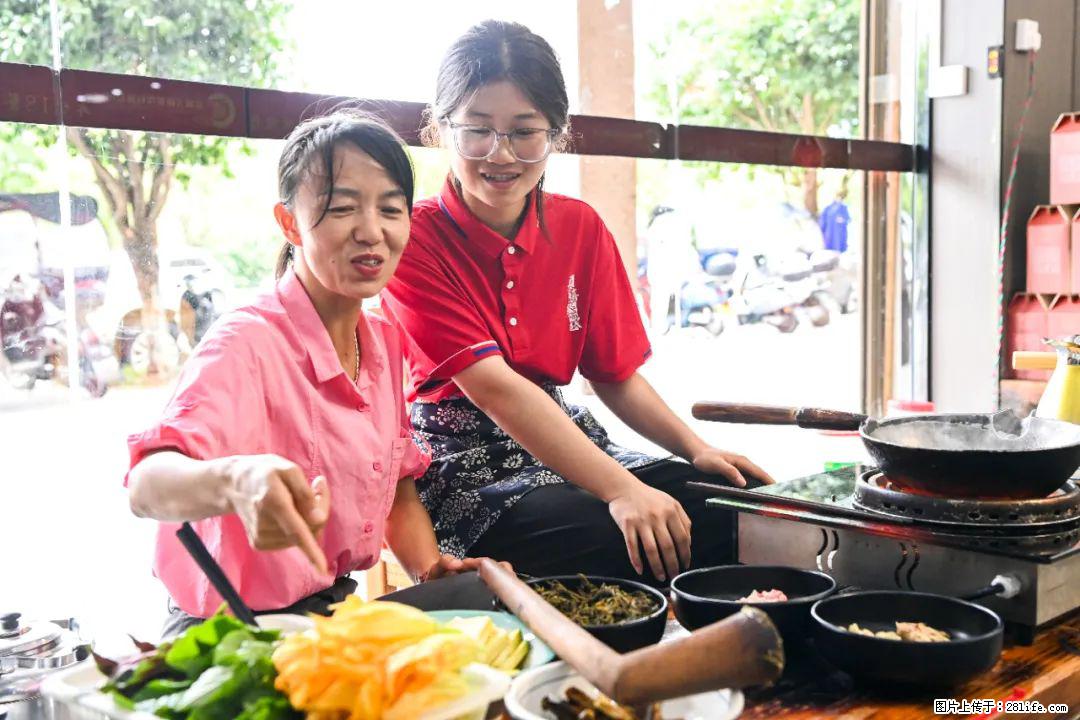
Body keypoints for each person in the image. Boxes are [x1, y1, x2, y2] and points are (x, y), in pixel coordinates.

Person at [381, 21, 775, 586]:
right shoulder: (412, 238)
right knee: (609, 535)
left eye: (524, 132)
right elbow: (495, 390)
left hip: (568, 442)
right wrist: (622, 490)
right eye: (477, 130)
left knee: (745, 506)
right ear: (442, 130)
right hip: (459, 468)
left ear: (556, 134)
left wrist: (696, 449)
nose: (500, 154)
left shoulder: (580, 227)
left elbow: (615, 376)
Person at [126, 110, 490, 638]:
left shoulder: (382, 342)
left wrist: (430, 570)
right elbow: (145, 485)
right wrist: (236, 480)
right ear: (290, 222)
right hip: (229, 632)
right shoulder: (246, 342)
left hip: (329, 613)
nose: (372, 231)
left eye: (391, 209)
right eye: (342, 208)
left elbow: (397, 485)